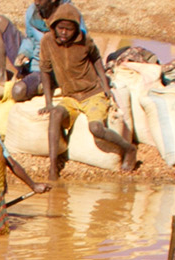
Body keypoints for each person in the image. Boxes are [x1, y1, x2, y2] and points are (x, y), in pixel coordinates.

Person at [36, 5, 135, 180]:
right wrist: (48, 102)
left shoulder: (85, 41)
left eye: (69, 29)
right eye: (61, 28)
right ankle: (52, 167)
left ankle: (129, 149)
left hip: (92, 94)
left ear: (76, 29)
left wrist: (105, 87)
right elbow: (45, 70)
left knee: (96, 128)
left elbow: (96, 59)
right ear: (54, 27)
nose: (64, 33)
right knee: (56, 114)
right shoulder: (47, 42)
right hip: (70, 96)